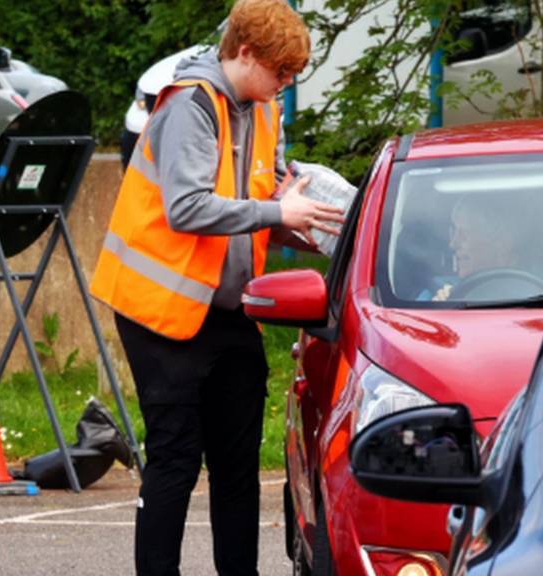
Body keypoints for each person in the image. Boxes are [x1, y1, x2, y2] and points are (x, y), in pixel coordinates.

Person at [89, 1, 344, 574]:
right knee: (175, 459)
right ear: (245, 52)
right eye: (280, 71)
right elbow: (187, 208)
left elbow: (259, 205)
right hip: (161, 313)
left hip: (227, 309)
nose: (286, 83)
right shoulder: (191, 105)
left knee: (236, 465)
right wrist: (278, 208)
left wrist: (307, 222)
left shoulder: (263, 108)